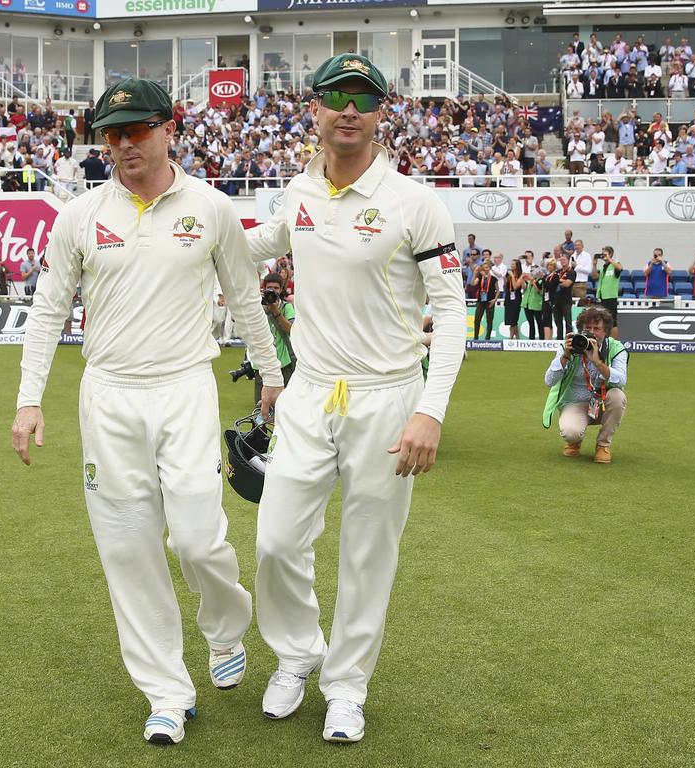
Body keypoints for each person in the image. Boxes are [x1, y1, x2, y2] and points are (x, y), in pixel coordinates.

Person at [12, 78, 283, 746]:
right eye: (111, 135)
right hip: (108, 394)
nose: (124, 145)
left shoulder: (211, 208)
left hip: (185, 385)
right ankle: (166, 691)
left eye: (136, 131)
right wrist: (28, 397)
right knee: (128, 548)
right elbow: (50, 307)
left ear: (169, 128)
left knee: (197, 536)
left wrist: (270, 374)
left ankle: (225, 626)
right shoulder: (80, 215)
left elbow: (244, 296)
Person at [245, 53, 466, 744]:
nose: (349, 108)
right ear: (314, 109)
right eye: (336, 96)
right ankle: (297, 653)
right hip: (310, 395)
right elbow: (257, 244)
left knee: (368, 554)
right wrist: (181, 240)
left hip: (387, 400)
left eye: (363, 98)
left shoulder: (413, 202)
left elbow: (453, 311)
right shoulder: (300, 190)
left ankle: (347, 687)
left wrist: (431, 409)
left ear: (379, 113)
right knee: (277, 541)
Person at [542, 305, 628, 464]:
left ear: (606, 332)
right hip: (574, 402)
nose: (592, 333)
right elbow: (549, 381)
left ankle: (603, 445)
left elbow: (621, 380)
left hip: (602, 402)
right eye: (588, 328)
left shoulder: (616, 348)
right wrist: (565, 356)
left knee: (618, 396)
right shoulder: (569, 345)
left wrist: (598, 362)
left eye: (597, 328)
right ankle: (574, 441)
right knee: (570, 432)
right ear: (580, 329)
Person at [253, 272, 296, 404]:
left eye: (276, 288)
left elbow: (291, 330)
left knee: (286, 404)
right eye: (269, 288)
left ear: (281, 289)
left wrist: (275, 310)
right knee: (261, 406)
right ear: (263, 289)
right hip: (262, 362)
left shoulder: (286, 307)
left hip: (284, 361)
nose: (272, 291)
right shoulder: (256, 307)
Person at [595, 246, 622, 339]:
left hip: (611, 296)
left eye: (605, 253)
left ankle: (615, 342)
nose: (603, 255)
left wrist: (609, 259)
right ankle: (606, 340)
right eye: (602, 253)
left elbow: (619, 268)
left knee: (613, 321)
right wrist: (594, 264)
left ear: (610, 254)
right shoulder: (603, 267)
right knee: (604, 320)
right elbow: (594, 276)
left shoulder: (614, 265)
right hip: (603, 296)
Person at [471, 261, 497, 340]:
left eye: (487, 267)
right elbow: (473, 284)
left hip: (489, 301)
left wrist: (495, 300)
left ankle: (488, 338)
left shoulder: (493, 278)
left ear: (490, 268)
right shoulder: (479, 276)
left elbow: (498, 290)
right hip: (480, 301)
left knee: (489, 320)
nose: (485, 269)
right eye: (484, 267)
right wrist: (475, 274)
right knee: (477, 320)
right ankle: (475, 338)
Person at [552, 253, 575, 340]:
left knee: (568, 322)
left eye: (564, 260)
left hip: (566, 299)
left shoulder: (571, 272)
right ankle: (559, 340)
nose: (562, 262)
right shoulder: (558, 272)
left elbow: (567, 284)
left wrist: (558, 280)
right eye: (561, 260)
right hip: (556, 299)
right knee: (558, 322)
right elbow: (552, 284)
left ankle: (569, 340)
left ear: (568, 260)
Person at [504, 258, 525, 339]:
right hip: (509, 297)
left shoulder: (520, 275)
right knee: (510, 320)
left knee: (514, 319)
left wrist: (512, 276)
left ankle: (511, 337)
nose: (511, 265)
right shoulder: (508, 274)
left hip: (516, 298)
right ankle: (517, 336)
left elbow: (516, 286)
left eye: (513, 264)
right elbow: (506, 284)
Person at [522, 265, 544, 339]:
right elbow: (524, 288)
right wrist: (522, 279)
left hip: (536, 305)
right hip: (527, 304)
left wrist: (533, 281)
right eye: (530, 270)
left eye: (532, 270)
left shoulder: (540, 280)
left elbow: (539, 291)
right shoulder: (528, 281)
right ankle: (531, 339)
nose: (531, 272)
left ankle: (542, 339)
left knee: (539, 323)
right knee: (531, 323)